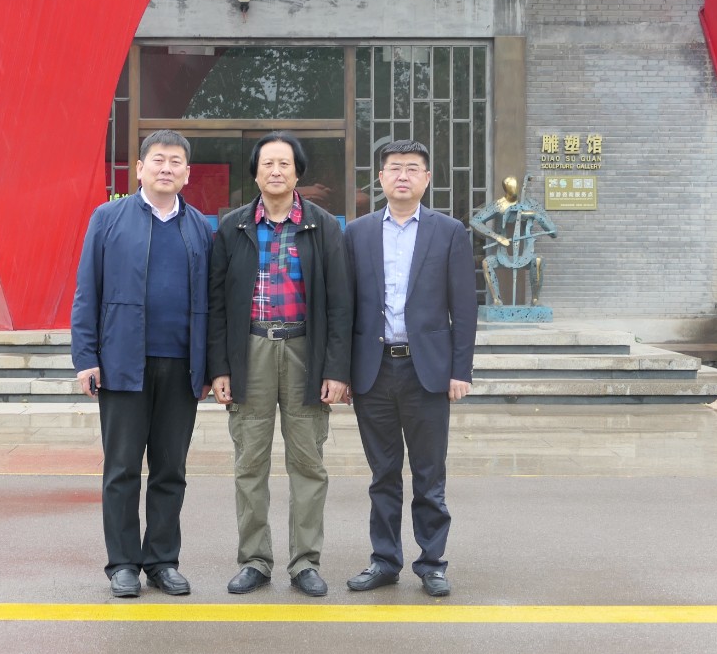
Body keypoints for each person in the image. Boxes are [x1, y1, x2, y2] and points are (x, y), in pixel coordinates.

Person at [209, 131, 352, 597]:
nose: (275, 171)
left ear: (297, 173)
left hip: (304, 352)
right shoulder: (232, 227)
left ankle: (305, 562)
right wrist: (220, 367)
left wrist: (336, 370)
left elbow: (340, 304)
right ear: (255, 173)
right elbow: (216, 305)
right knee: (249, 463)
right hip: (250, 351)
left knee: (308, 463)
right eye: (267, 163)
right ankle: (254, 559)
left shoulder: (323, 226)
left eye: (284, 164)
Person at [71, 129, 213, 598]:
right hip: (122, 364)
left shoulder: (200, 227)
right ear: (140, 168)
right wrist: (86, 357)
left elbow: (211, 302)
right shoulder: (108, 218)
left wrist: (211, 366)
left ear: (187, 173)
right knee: (122, 469)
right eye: (158, 159)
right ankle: (123, 564)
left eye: (176, 161)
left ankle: (163, 561)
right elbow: (87, 290)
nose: (166, 168)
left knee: (171, 471)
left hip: (182, 365)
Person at [342, 139, 477, 597]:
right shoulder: (357, 233)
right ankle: (384, 561)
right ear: (380, 178)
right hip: (374, 370)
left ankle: (432, 563)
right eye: (395, 168)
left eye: (413, 168)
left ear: (426, 178)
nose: (403, 175)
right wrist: (341, 372)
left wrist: (460, 370)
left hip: (428, 371)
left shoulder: (449, 232)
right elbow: (345, 308)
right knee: (382, 474)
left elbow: (464, 308)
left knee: (428, 475)